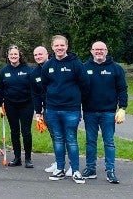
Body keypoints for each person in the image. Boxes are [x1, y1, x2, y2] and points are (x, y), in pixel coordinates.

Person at [41, 35, 88, 184]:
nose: (59, 48)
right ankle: (60, 169)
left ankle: (75, 171)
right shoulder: (48, 65)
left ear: (67, 46)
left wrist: (76, 102)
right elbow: (44, 85)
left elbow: (84, 84)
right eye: (56, 46)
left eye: (62, 45)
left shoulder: (76, 64)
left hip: (71, 110)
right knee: (58, 140)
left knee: (71, 140)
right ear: (52, 47)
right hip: (52, 109)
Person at [81, 41, 128, 184]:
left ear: (106, 51)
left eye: (102, 50)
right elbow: (79, 89)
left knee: (109, 142)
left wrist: (122, 108)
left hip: (108, 112)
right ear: (91, 51)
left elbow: (122, 89)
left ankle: (110, 171)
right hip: (89, 112)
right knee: (90, 142)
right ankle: (90, 169)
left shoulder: (116, 68)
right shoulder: (84, 68)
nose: (99, 52)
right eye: (96, 49)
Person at [0, 45, 34, 168]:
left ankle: (28, 158)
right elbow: (0, 89)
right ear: (8, 56)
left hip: (26, 104)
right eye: (11, 54)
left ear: (19, 56)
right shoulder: (3, 71)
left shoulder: (28, 70)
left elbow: (34, 88)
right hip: (10, 105)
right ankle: (17, 158)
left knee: (26, 132)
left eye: (15, 54)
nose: (13, 56)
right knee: (14, 131)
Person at [32, 45, 57, 173]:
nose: (38, 57)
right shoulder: (35, 73)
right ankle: (59, 162)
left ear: (47, 54)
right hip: (47, 109)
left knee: (66, 137)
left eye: (40, 54)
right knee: (54, 137)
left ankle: (71, 164)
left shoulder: (55, 66)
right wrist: (38, 113)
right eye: (35, 55)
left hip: (61, 107)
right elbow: (36, 94)